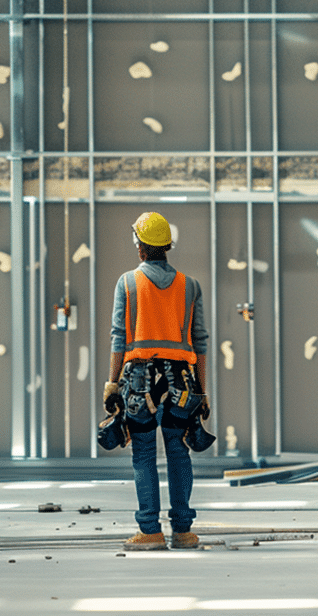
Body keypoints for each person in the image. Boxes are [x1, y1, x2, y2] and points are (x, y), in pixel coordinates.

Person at [105, 211, 210, 551]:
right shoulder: (190, 285)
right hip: (180, 382)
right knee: (179, 454)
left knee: (144, 456)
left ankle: (150, 530)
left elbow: (119, 339)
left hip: (140, 382)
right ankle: (183, 531)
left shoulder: (127, 283)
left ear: (140, 248)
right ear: (166, 246)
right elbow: (201, 341)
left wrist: (111, 384)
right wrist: (202, 390)